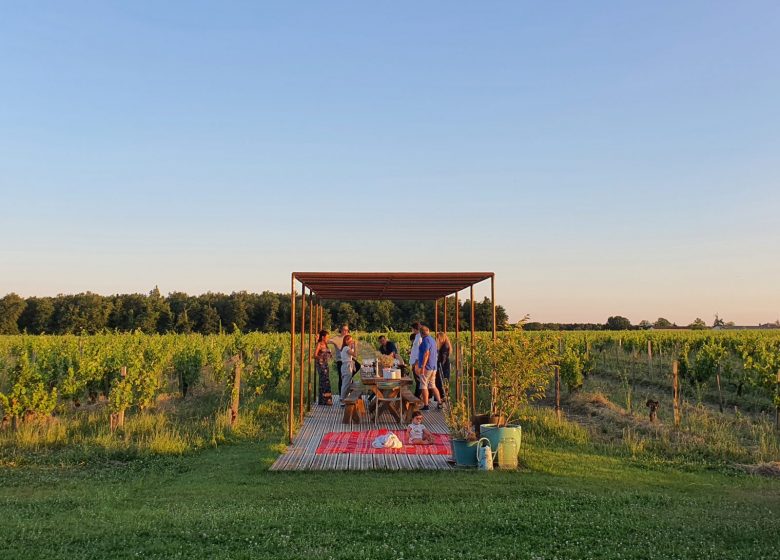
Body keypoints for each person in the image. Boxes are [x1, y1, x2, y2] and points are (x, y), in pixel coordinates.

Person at [416, 325, 442, 410]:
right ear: (428, 331)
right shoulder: (432, 340)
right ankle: (439, 402)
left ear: (421, 333)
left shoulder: (425, 340)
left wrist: (423, 366)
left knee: (423, 385)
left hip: (427, 367)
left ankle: (426, 405)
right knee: (432, 385)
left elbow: (426, 353)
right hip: (433, 366)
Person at [328, 324, 350, 397]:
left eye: (347, 330)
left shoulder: (348, 338)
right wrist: (333, 342)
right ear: (341, 330)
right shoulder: (337, 338)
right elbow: (327, 341)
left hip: (348, 360)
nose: (346, 331)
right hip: (340, 360)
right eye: (344, 330)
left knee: (358, 366)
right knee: (341, 378)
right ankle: (341, 396)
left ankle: (347, 392)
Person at [314, 330, 333, 405]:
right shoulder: (319, 344)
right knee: (324, 381)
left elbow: (327, 354)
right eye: (327, 337)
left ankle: (325, 400)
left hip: (325, 364)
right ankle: (325, 400)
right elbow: (314, 355)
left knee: (326, 381)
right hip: (321, 364)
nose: (328, 338)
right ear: (322, 337)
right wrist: (321, 358)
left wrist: (329, 355)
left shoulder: (326, 344)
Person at [339, 334, 356, 405]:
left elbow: (351, 355)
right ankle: (342, 400)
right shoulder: (346, 348)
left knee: (348, 383)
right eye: (350, 340)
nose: (352, 341)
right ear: (346, 341)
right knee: (345, 384)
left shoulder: (346, 348)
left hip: (347, 366)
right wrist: (355, 346)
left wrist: (352, 347)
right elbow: (355, 354)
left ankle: (344, 398)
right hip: (347, 366)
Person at [436, 331, 452, 403]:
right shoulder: (444, 345)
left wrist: (440, 366)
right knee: (442, 383)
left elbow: (443, 358)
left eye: (438, 338)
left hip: (443, 367)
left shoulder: (444, 346)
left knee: (441, 382)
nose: (437, 340)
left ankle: (443, 399)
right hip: (444, 366)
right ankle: (443, 399)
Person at [409, 323, 422, 397]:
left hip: (417, 363)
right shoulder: (417, 336)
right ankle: (417, 396)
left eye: (412, 328)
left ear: (415, 328)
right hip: (414, 362)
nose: (412, 330)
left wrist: (416, 363)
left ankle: (417, 397)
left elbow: (419, 351)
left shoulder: (419, 337)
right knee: (417, 381)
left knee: (419, 381)